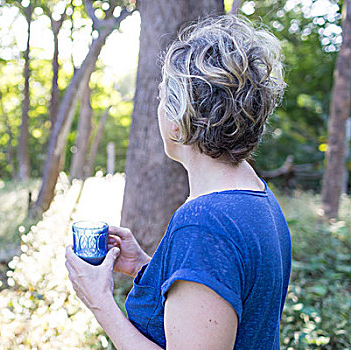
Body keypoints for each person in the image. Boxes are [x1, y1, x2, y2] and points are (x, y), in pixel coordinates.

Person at [65, 15, 292, 350]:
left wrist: (100, 302)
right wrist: (148, 268)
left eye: (161, 98)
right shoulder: (258, 198)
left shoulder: (204, 224)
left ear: (176, 122)